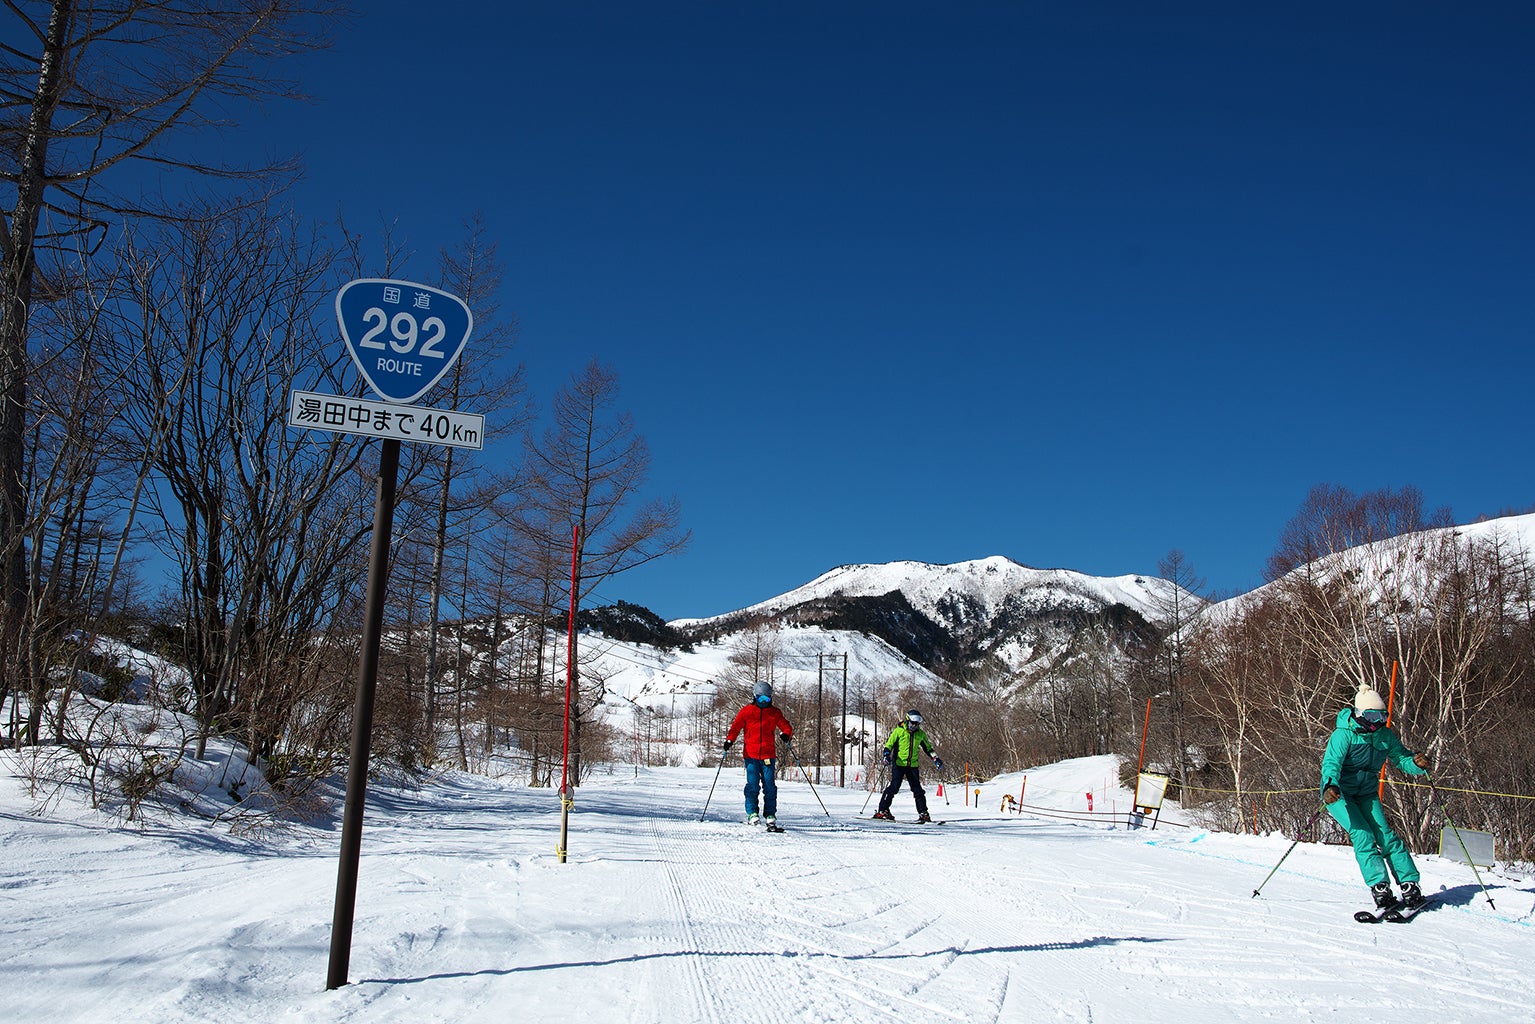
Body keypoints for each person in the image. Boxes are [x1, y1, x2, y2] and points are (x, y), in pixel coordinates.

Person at [1320, 682, 1431, 910]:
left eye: (1381, 716)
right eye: (1371, 716)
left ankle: (1409, 883)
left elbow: (1401, 759)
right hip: (1339, 795)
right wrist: (1329, 787)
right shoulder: (1344, 735)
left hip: (1367, 793)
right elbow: (1331, 764)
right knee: (1362, 835)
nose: (1376, 722)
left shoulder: (1383, 736)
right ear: (1360, 714)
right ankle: (1379, 887)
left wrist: (1418, 764)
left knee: (1386, 836)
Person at [723, 680, 793, 826]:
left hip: (768, 755)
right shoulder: (747, 711)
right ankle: (752, 813)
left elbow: (786, 726)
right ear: (755, 697)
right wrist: (730, 740)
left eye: (767, 699)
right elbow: (735, 728)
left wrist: (786, 734)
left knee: (769, 786)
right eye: (761, 698)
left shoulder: (774, 713)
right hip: (751, 755)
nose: (764, 702)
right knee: (753, 785)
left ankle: (770, 814)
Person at [873, 709, 944, 822]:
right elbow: (888, 745)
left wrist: (936, 759)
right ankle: (883, 810)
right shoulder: (899, 731)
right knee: (894, 787)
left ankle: (923, 813)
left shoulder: (920, 734)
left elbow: (928, 749)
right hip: (899, 764)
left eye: (917, 724)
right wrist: (886, 755)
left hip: (912, 766)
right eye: (912, 723)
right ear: (907, 721)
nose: (914, 726)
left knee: (917, 790)